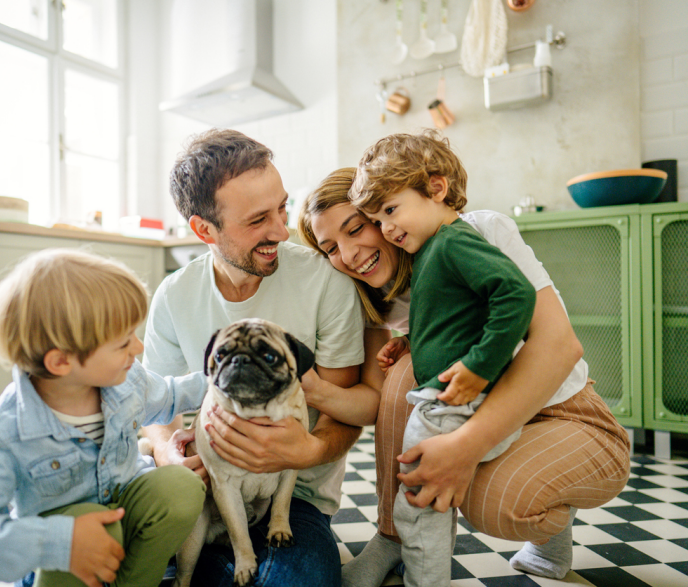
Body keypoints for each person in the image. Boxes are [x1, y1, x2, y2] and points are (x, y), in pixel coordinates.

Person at [297, 144, 630, 586]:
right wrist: (323, 387)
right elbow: (376, 403)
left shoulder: (476, 234)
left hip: (564, 412)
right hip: (477, 406)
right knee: (401, 380)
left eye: (360, 226)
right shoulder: (375, 300)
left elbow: (557, 345)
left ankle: (552, 522)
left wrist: (465, 449)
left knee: (495, 504)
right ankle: (393, 538)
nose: (350, 253)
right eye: (330, 249)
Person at [141, 129, 368, 587]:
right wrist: (168, 451)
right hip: (210, 490)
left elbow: (343, 408)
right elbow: (154, 407)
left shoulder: (325, 281)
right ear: (205, 229)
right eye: (257, 219)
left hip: (297, 494)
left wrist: (311, 449)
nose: (282, 231)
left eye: (282, 207)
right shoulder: (174, 296)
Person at [0, 248, 208, 587]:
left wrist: (228, 379)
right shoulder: (4, 430)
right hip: (59, 564)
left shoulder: (125, 382)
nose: (138, 348)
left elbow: (173, 394)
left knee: (181, 487)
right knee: (88, 518)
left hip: (123, 518)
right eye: (122, 342)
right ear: (60, 362)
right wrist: (59, 541)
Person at [351, 131, 537, 587]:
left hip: (452, 402)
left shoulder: (455, 241)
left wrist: (479, 367)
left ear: (436, 189)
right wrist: (412, 341)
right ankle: (552, 553)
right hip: (450, 396)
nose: (388, 228)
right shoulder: (433, 248)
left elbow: (516, 294)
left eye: (391, 211)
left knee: (416, 500)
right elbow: (459, 315)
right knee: (420, 497)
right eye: (377, 218)